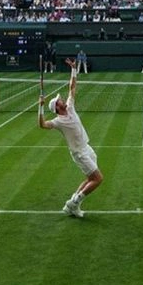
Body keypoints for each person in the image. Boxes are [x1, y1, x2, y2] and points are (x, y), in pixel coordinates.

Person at [39, 59, 103, 218]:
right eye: (60, 100)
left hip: (87, 147)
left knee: (90, 178)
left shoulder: (70, 106)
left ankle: (73, 205)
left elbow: (72, 87)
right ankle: (73, 203)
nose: (63, 99)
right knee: (98, 179)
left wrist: (74, 70)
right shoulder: (58, 121)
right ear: (57, 107)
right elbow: (42, 125)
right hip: (79, 153)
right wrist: (40, 106)